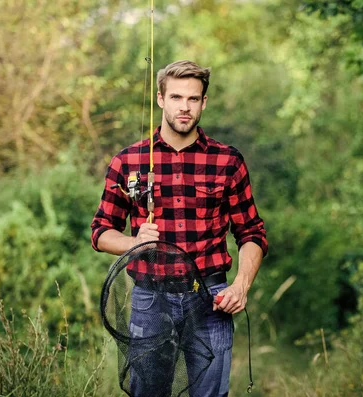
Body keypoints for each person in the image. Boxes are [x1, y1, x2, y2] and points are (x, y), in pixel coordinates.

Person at [91, 60, 268, 397]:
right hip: (149, 299)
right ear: (160, 99)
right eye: (175, 97)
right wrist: (133, 242)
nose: (184, 107)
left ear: (204, 103)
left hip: (211, 298)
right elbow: (100, 232)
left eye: (193, 99)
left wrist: (241, 286)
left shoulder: (227, 160)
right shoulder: (128, 161)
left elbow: (252, 233)